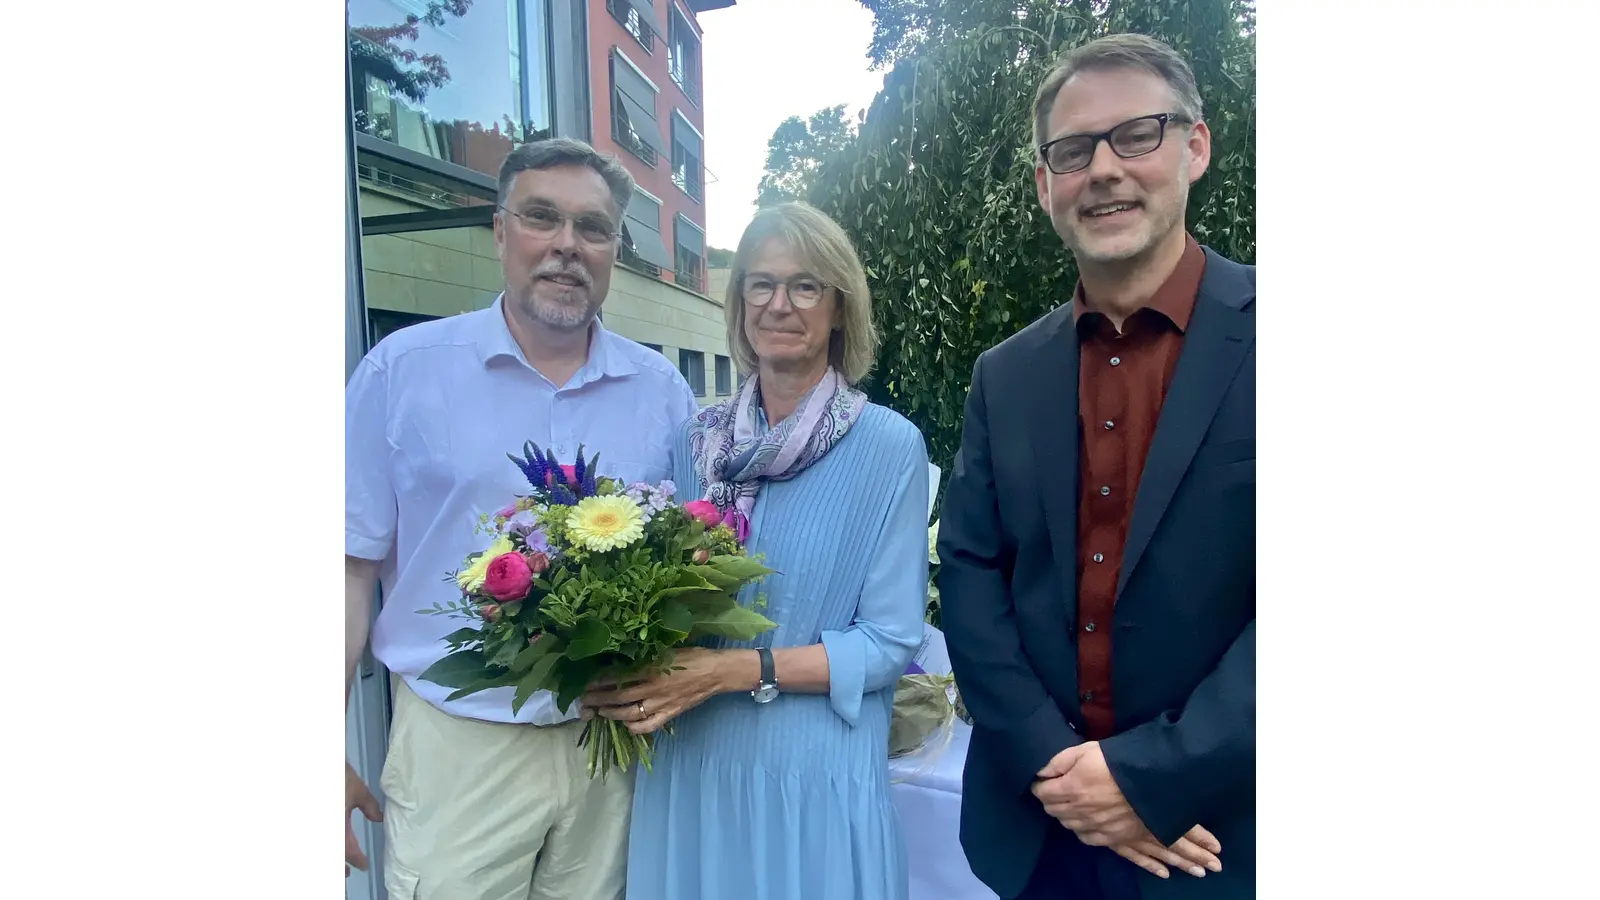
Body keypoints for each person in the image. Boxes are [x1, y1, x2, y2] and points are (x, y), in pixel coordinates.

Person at [938, 33, 1255, 900]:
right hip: (1043, 834)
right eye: (1073, 151)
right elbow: (969, 575)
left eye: (1138, 135)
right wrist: (1056, 770)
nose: (1105, 169)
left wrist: (1149, 779)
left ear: (1195, 146)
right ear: (1046, 184)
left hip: (1222, 833)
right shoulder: (1003, 376)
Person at [344, 137, 700, 900]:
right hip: (458, 747)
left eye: (593, 229)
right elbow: (348, 567)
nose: (567, 246)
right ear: (500, 230)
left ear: (613, 252)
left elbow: (686, 563)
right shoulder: (402, 373)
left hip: (607, 753)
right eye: (543, 218)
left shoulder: (661, 391)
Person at [582, 201, 930, 900]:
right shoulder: (696, 441)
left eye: (806, 286)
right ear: (739, 305)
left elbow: (889, 642)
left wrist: (729, 670)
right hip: (692, 767)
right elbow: (668, 601)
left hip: (812, 778)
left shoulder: (890, 446)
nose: (780, 304)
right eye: (761, 284)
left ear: (839, 309)